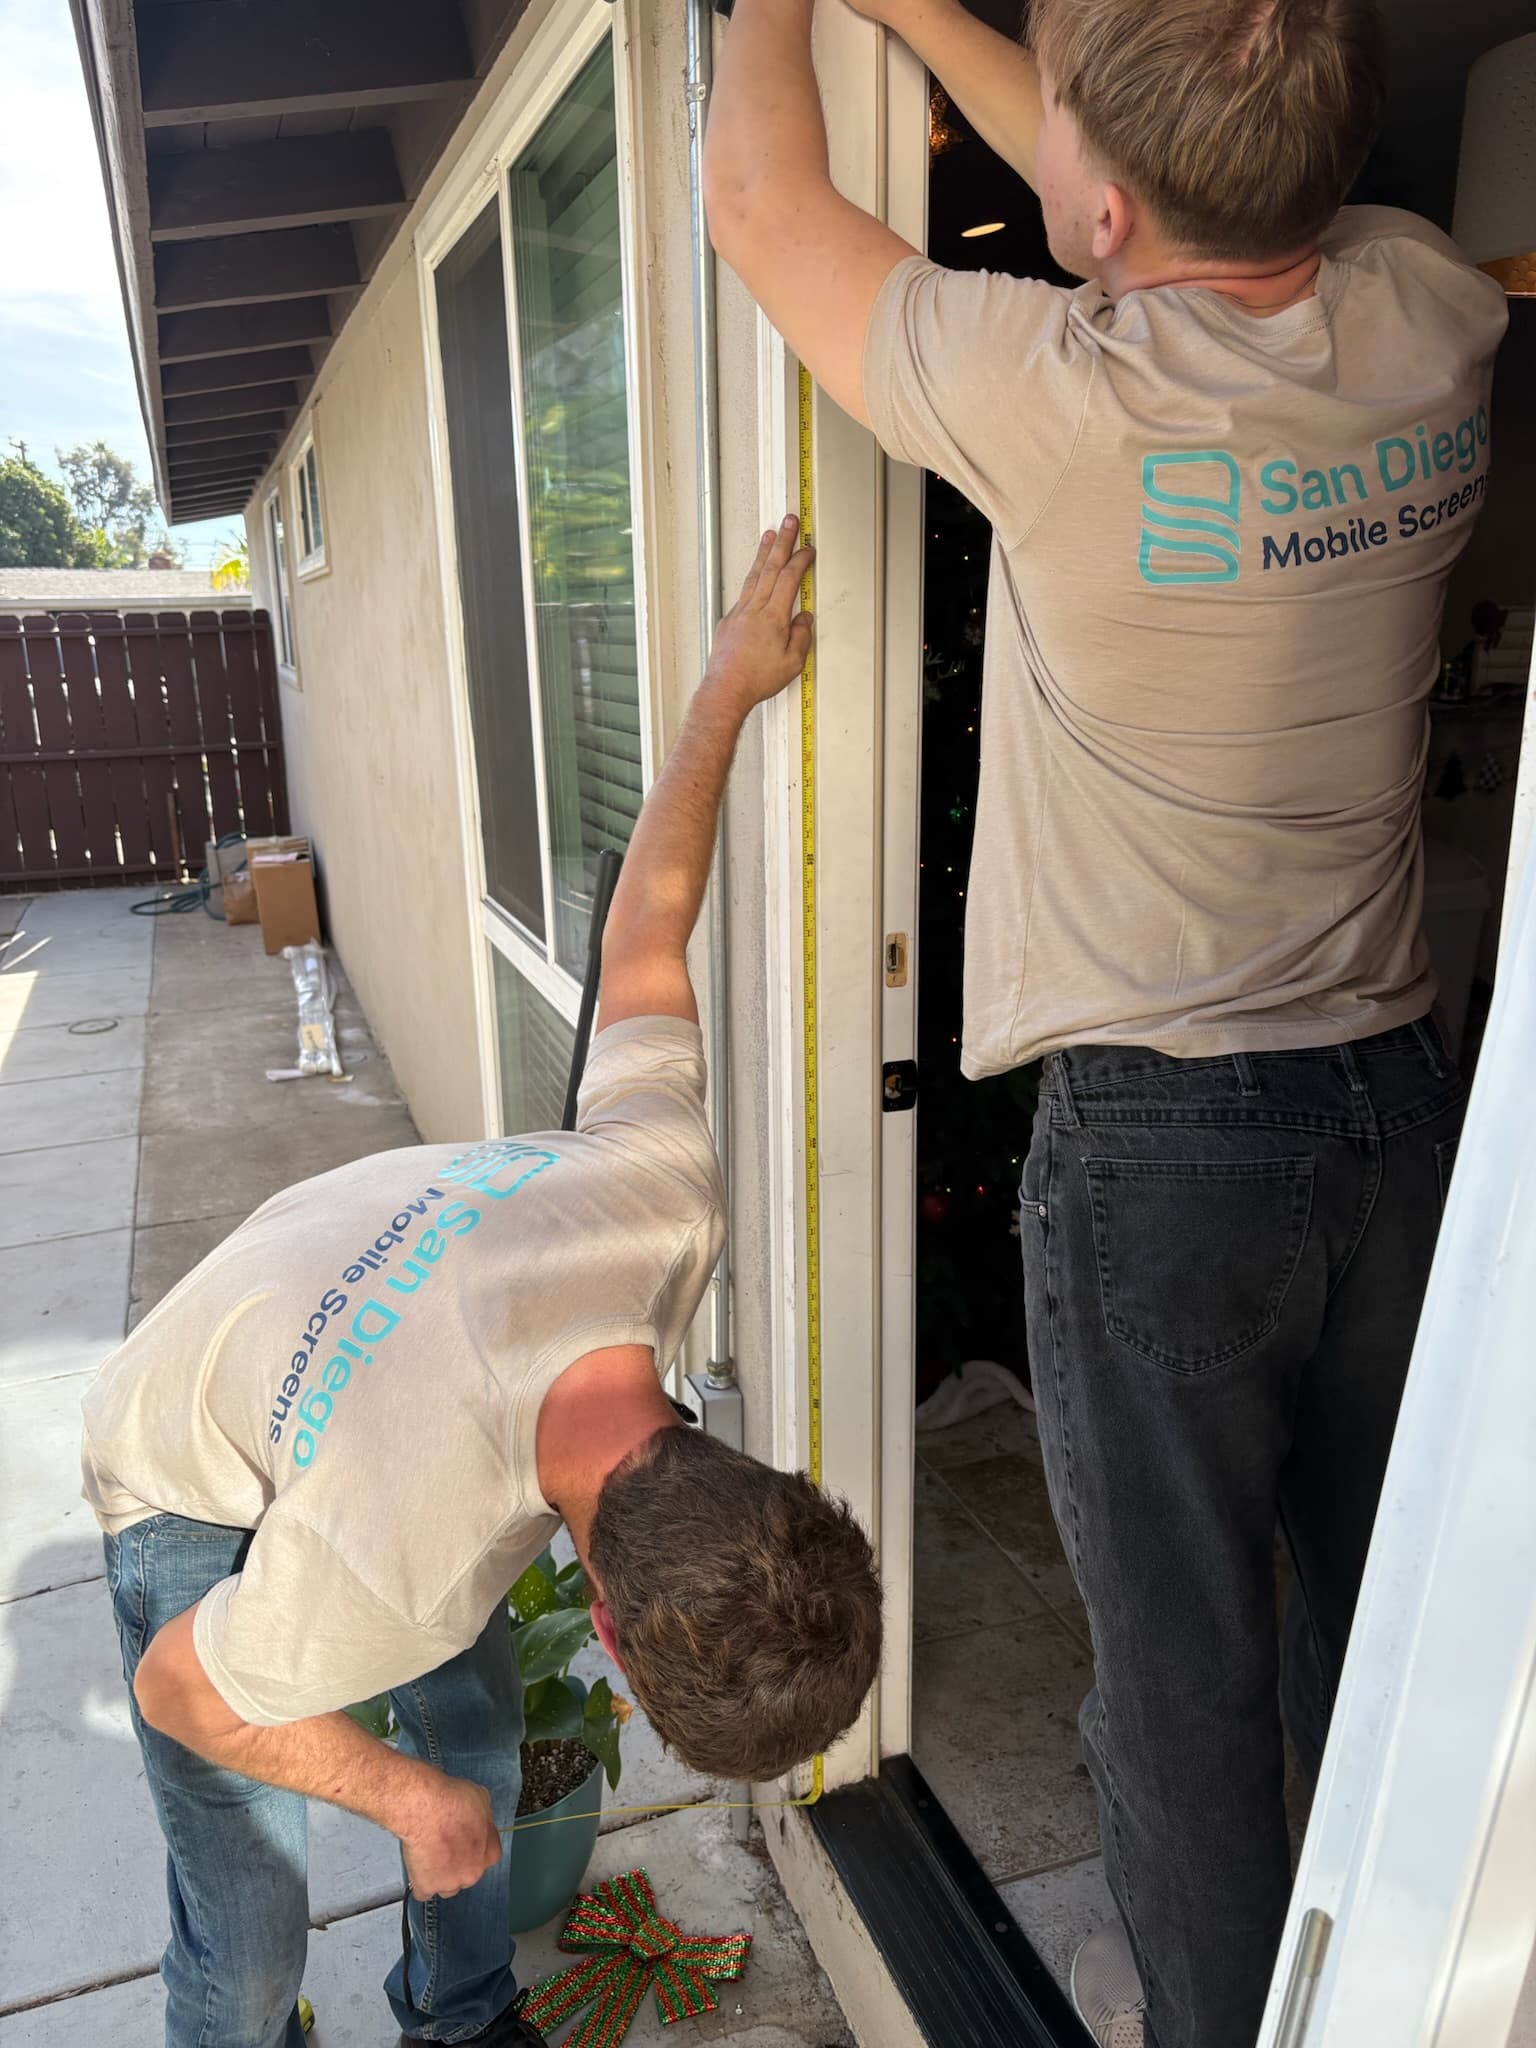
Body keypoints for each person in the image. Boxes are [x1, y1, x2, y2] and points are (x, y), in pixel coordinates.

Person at [702, 4, 1508, 2044]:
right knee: (1371, 1623)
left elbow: (754, 201)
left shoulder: (1066, 402)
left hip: (1168, 1164)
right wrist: (928, 20)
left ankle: (1204, 2008)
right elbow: (1135, 182)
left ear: (1102, 206)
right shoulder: (1429, 315)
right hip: (1410, 1109)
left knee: (1180, 1686)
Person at [80, 517, 882, 2048]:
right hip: (185, 1464)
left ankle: (453, 2020)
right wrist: (391, 1793)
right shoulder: (392, 1559)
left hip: (350, 1370)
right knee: (252, 1925)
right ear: (603, 1609)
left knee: (482, 1738)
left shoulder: (660, 1210)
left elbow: (644, 931)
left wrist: (728, 688)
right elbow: (187, 1689)